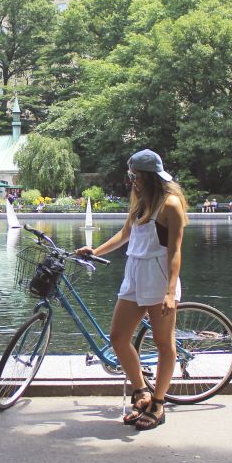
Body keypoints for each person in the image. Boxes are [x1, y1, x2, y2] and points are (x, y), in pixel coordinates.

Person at [76, 149, 188, 431]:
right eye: (131, 175)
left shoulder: (170, 204)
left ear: (149, 177)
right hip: (134, 274)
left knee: (163, 343)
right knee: (118, 337)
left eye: (135, 176)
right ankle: (141, 391)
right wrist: (95, 251)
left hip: (159, 277)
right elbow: (126, 234)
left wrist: (170, 293)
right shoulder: (141, 201)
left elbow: (175, 251)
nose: (132, 181)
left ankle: (158, 404)